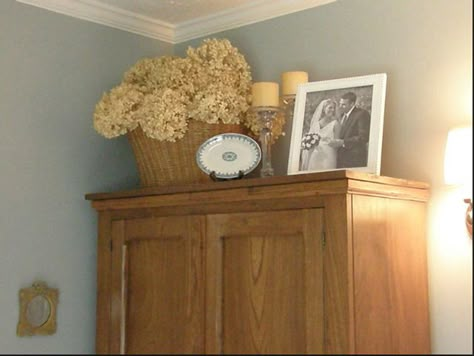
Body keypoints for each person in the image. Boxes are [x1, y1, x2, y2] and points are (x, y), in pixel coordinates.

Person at [328, 92, 370, 168]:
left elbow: (364, 137)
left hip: (354, 159)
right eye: (340, 104)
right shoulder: (341, 115)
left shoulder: (362, 114)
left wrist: (343, 142)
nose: (340, 106)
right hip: (340, 158)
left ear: (352, 104)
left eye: (343, 104)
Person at [300, 98, 341, 171]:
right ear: (323, 109)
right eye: (330, 107)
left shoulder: (335, 124)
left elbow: (337, 142)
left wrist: (330, 142)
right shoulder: (315, 124)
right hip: (315, 154)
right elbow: (309, 139)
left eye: (334, 108)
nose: (332, 110)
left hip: (329, 155)